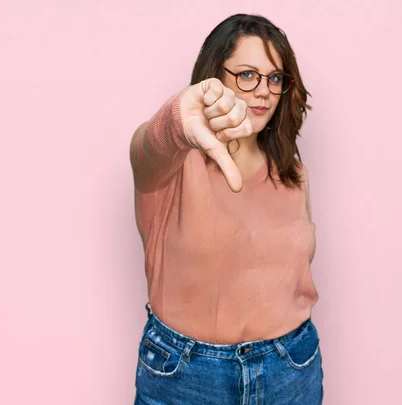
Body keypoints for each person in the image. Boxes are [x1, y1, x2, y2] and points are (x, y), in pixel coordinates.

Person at [130, 13, 323, 404]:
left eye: (274, 78)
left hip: (291, 368)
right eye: (248, 74)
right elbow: (146, 148)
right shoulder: (173, 163)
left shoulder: (293, 172)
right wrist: (174, 122)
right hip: (185, 375)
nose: (264, 91)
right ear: (214, 76)